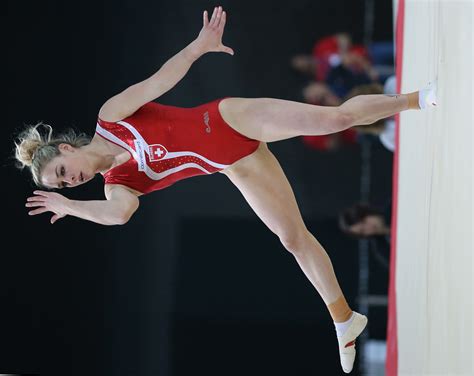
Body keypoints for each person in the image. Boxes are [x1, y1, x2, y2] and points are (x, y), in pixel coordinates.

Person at [14, 7, 436, 374]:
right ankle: (344, 319)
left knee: (335, 120)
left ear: (67, 149)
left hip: (230, 119)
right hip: (233, 163)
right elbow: (120, 215)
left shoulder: (110, 118)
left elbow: (159, 81)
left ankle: (420, 98)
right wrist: (71, 207)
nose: (72, 181)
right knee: (292, 238)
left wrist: (197, 48)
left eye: (64, 172)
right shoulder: (117, 187)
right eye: (65, 184)